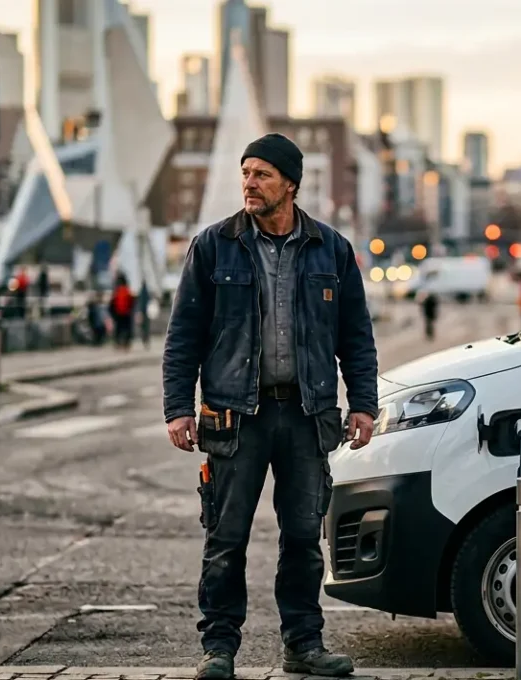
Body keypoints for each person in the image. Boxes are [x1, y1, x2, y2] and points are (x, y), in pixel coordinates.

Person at [162, 132, 378, 680]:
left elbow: (355, 334)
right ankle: (219, 650)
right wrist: (177, 408)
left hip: (307, 415)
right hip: (236, 415)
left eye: (261, 174)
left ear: (291, 184)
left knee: (305, 536)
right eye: (246, 173)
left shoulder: (331, 249)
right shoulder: (214, 246)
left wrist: (363, 403)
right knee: (225, 536)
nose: (249, 184)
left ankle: (304, 645)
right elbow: (183, 333)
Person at [109, 274, 136, 349]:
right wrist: (130, 311)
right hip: (126, 314)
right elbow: (132, 302)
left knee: (118, 329)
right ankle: (126, 343)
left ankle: (117, 343)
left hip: (118, 314)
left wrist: (113, 313)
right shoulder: (127, 290)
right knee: (127, 328)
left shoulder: (117, 291)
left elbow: (112, 303)